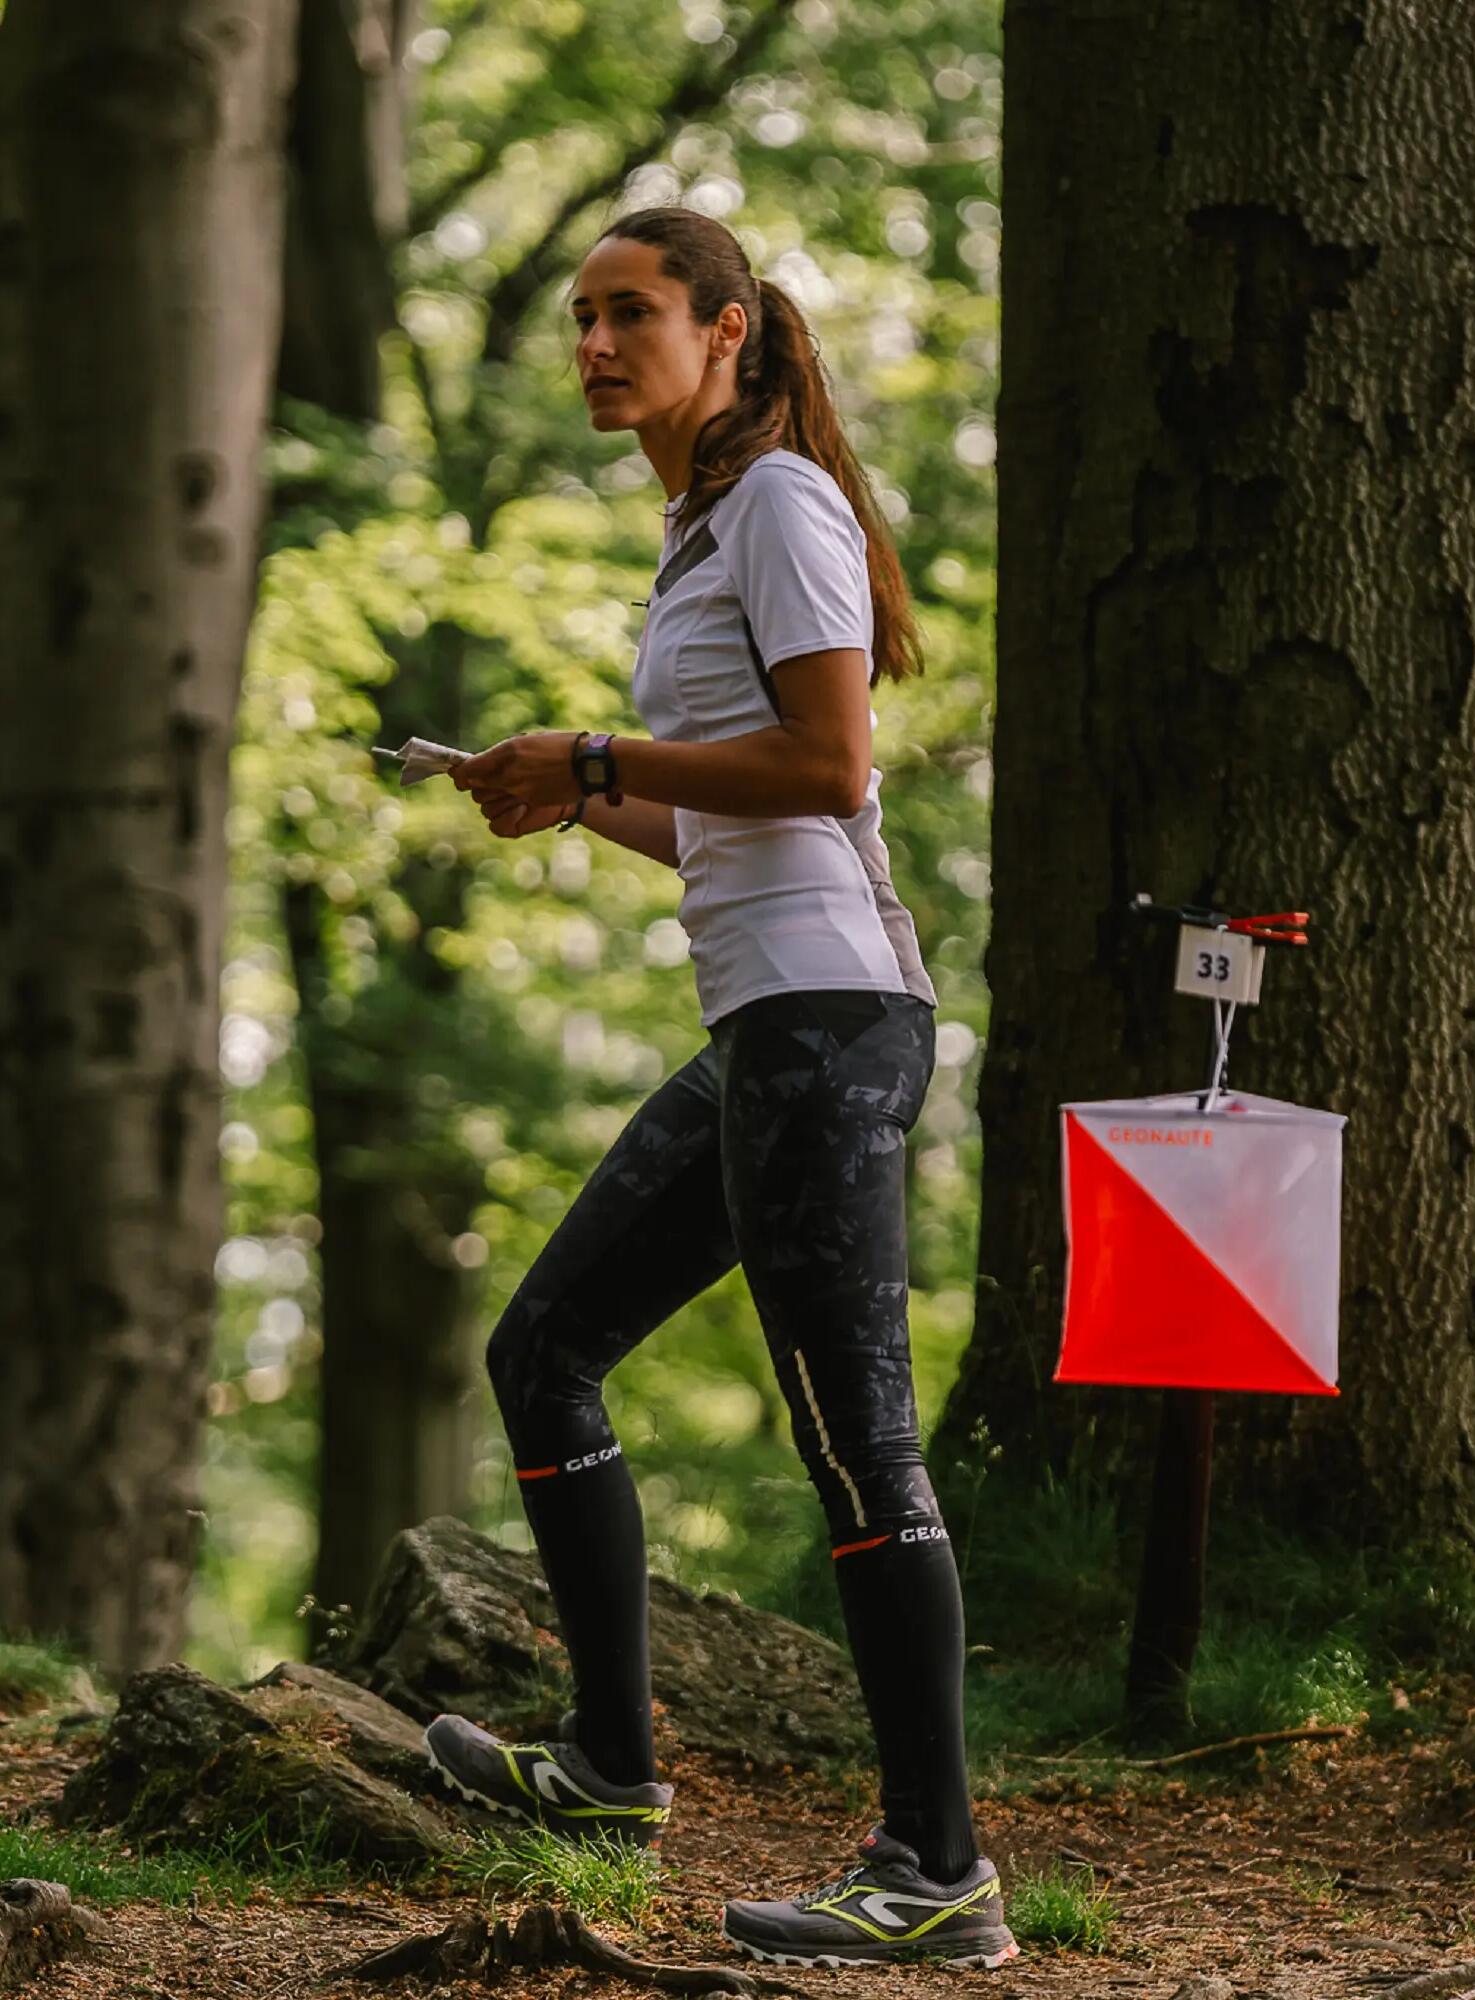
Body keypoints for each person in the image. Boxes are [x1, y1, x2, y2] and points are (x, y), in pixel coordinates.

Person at [422, 205, 1017, 1973]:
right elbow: (714, 813)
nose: (595, 344)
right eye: (581, 317)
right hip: (769, 1021)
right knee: (543, 1349)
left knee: (856, 1438)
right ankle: (611, 1762)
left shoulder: (776, 503)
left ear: (730, 329)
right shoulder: (695, 532)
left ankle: (938, 1870)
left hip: (836, 1022)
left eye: (631, 314)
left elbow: (832, 765)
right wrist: (563, 792)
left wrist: (595, 747)